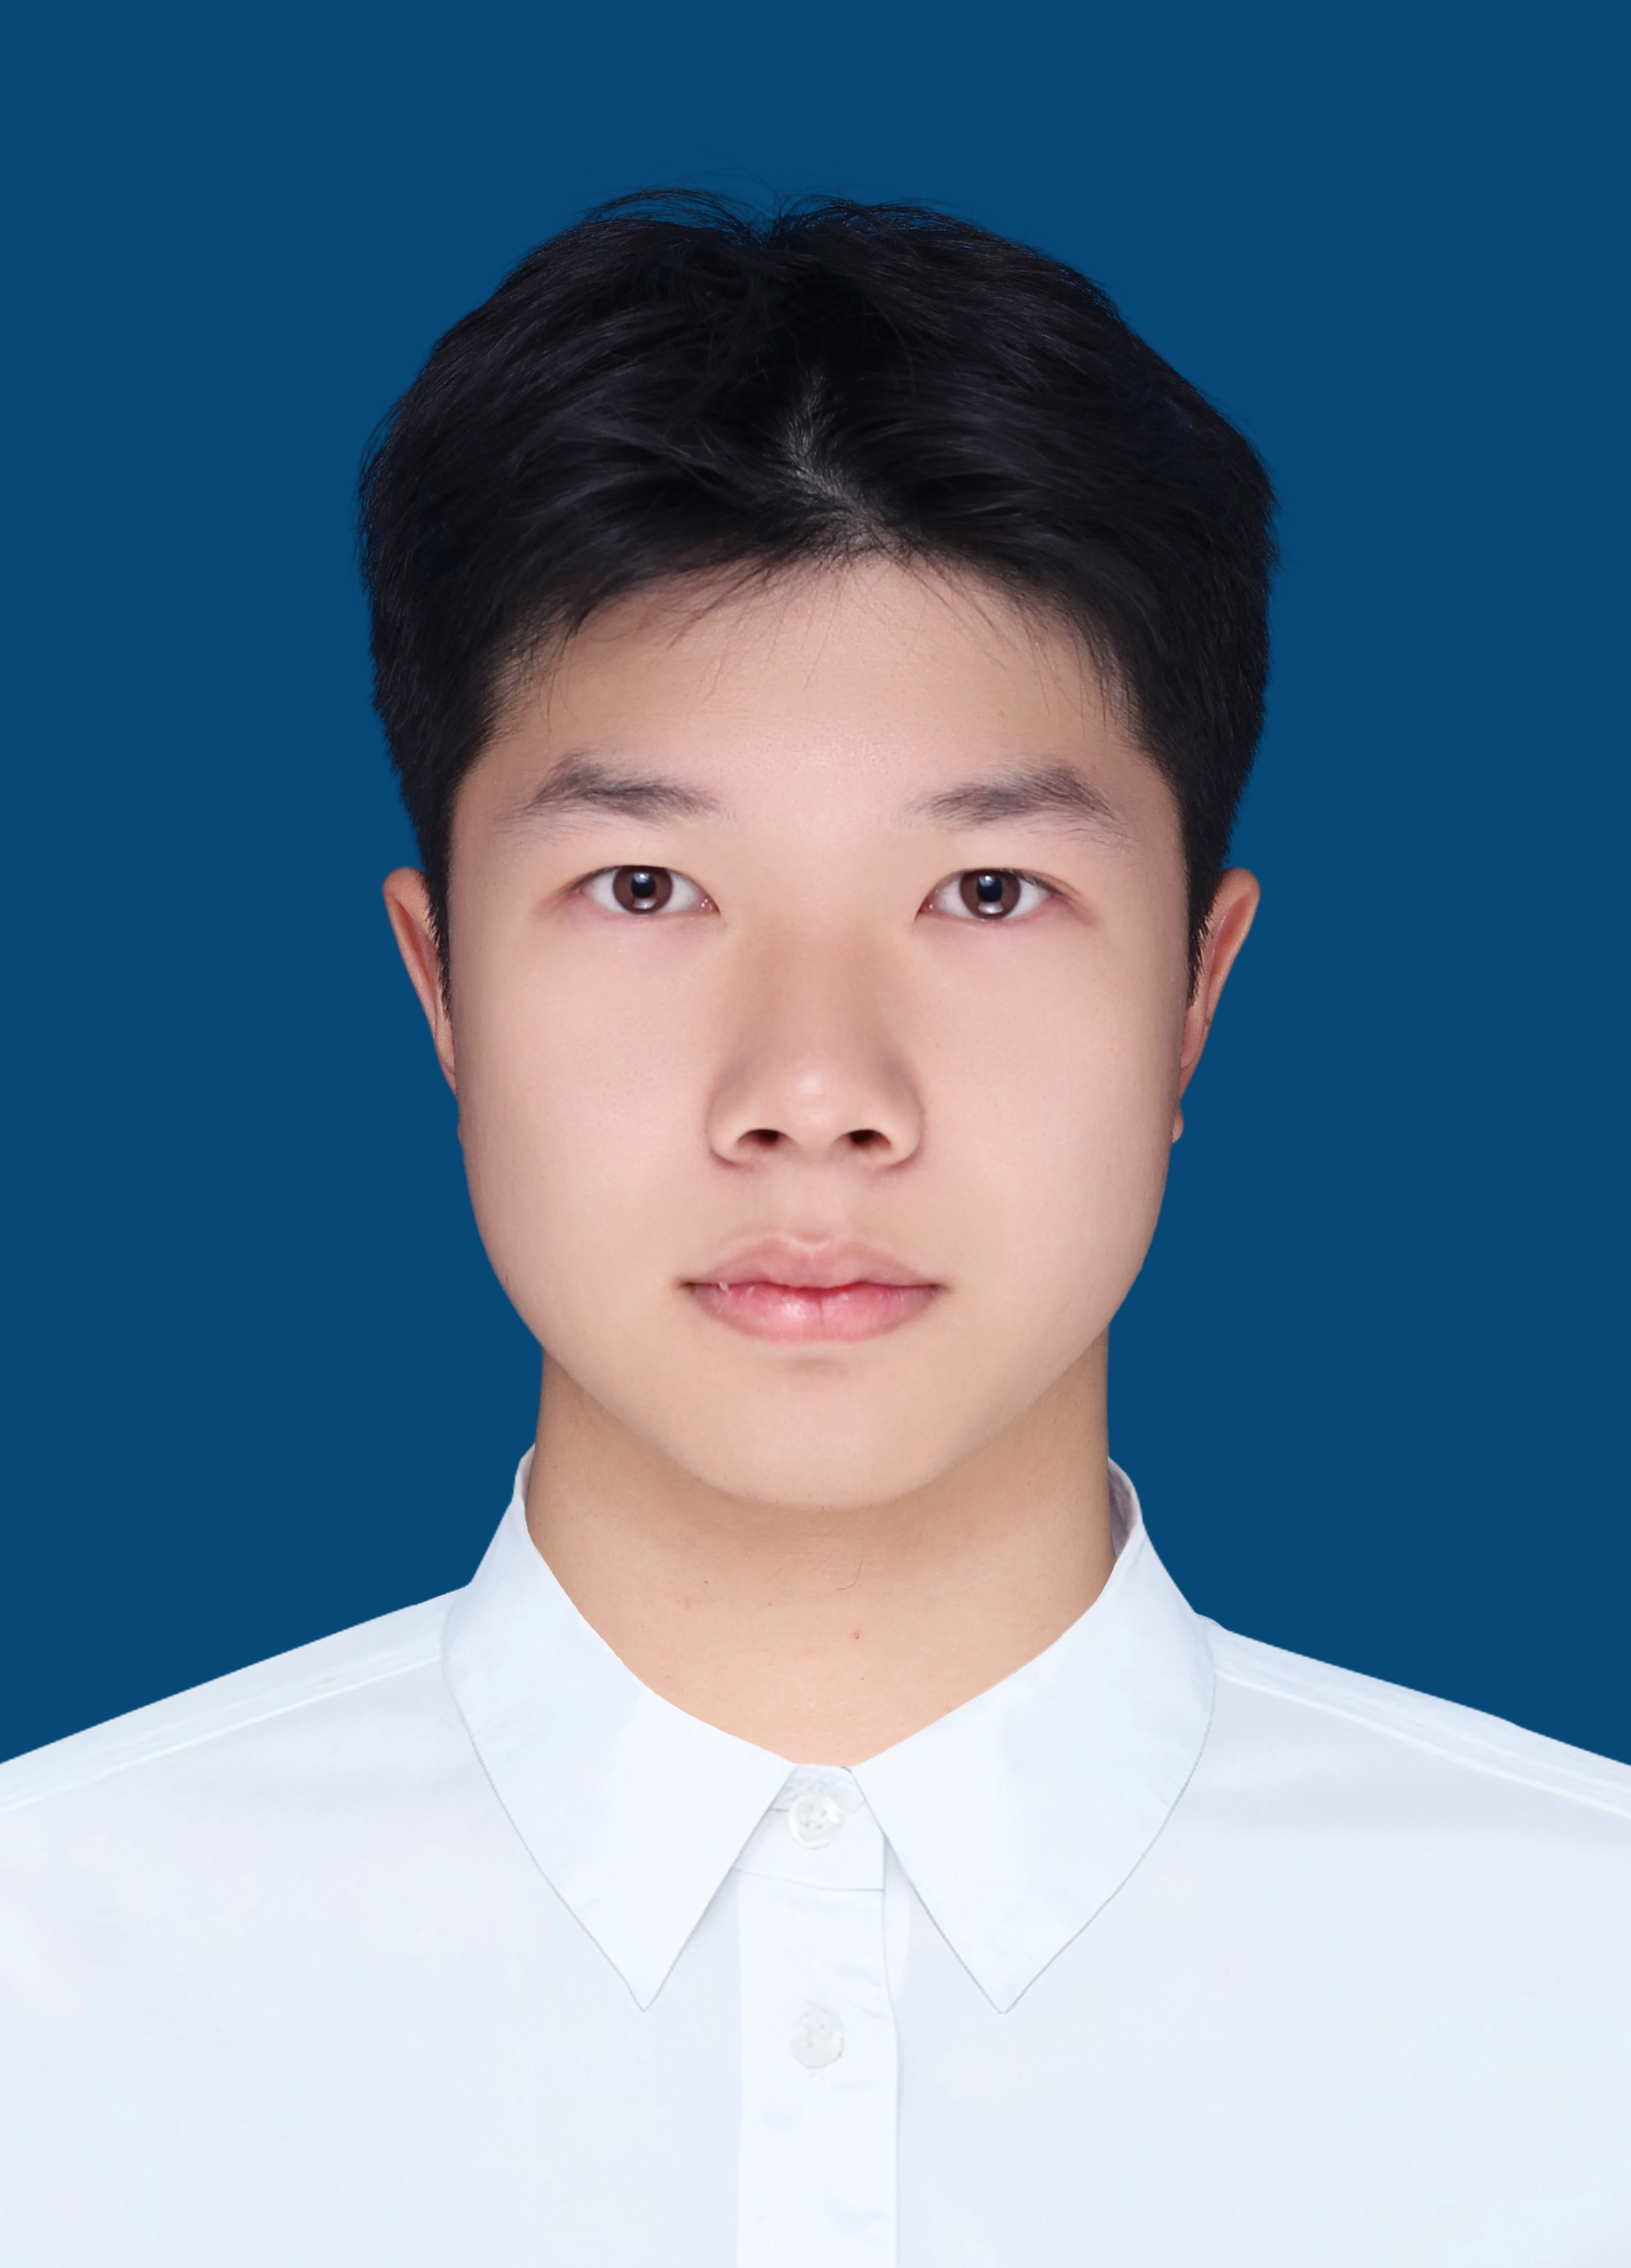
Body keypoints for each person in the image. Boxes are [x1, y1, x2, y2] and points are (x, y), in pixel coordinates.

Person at [1, 192, 1626, 2267]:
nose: (816, 1087)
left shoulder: (1585, 2002)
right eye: (647, 889)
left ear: (1196, 994)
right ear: (441, 988)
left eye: (988, 894)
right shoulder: (47, 1993)